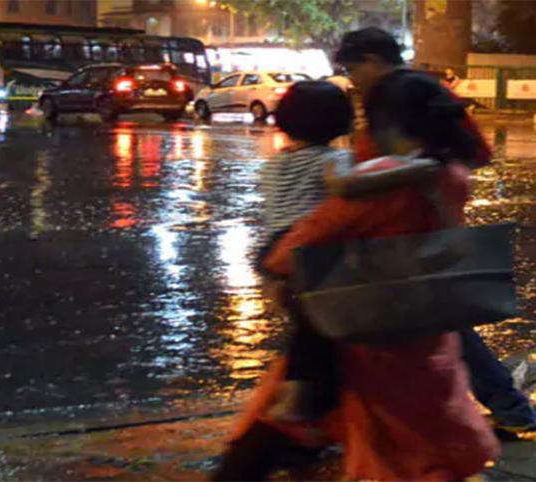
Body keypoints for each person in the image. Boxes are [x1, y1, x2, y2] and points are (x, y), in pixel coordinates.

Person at [214, 69, 500, 482]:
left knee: (286, 423)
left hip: (356, 330)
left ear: (385, 121)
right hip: (419, 332)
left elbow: (302, 243)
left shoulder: (379, 182)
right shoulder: (451, 173)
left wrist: (275, 267)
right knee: (422, 445)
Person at [333, 27, 535, 433]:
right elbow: (473, 154)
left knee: (404, 328)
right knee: (440, 325)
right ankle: (503, 411)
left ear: (373, 59)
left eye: (353, 68)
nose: (352, 79)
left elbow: (372, 169)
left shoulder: (392, 97)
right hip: (433, 228)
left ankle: (497, 412)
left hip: (405, 234)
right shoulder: (430, 88)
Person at [256, 81, 353, 422]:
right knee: (318, 328)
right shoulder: (337, 161)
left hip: (273, 250)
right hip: (308, 250)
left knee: (306, 324)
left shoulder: (273, 164)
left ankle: (295, 394)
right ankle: (296, 396)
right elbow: (347, 197)